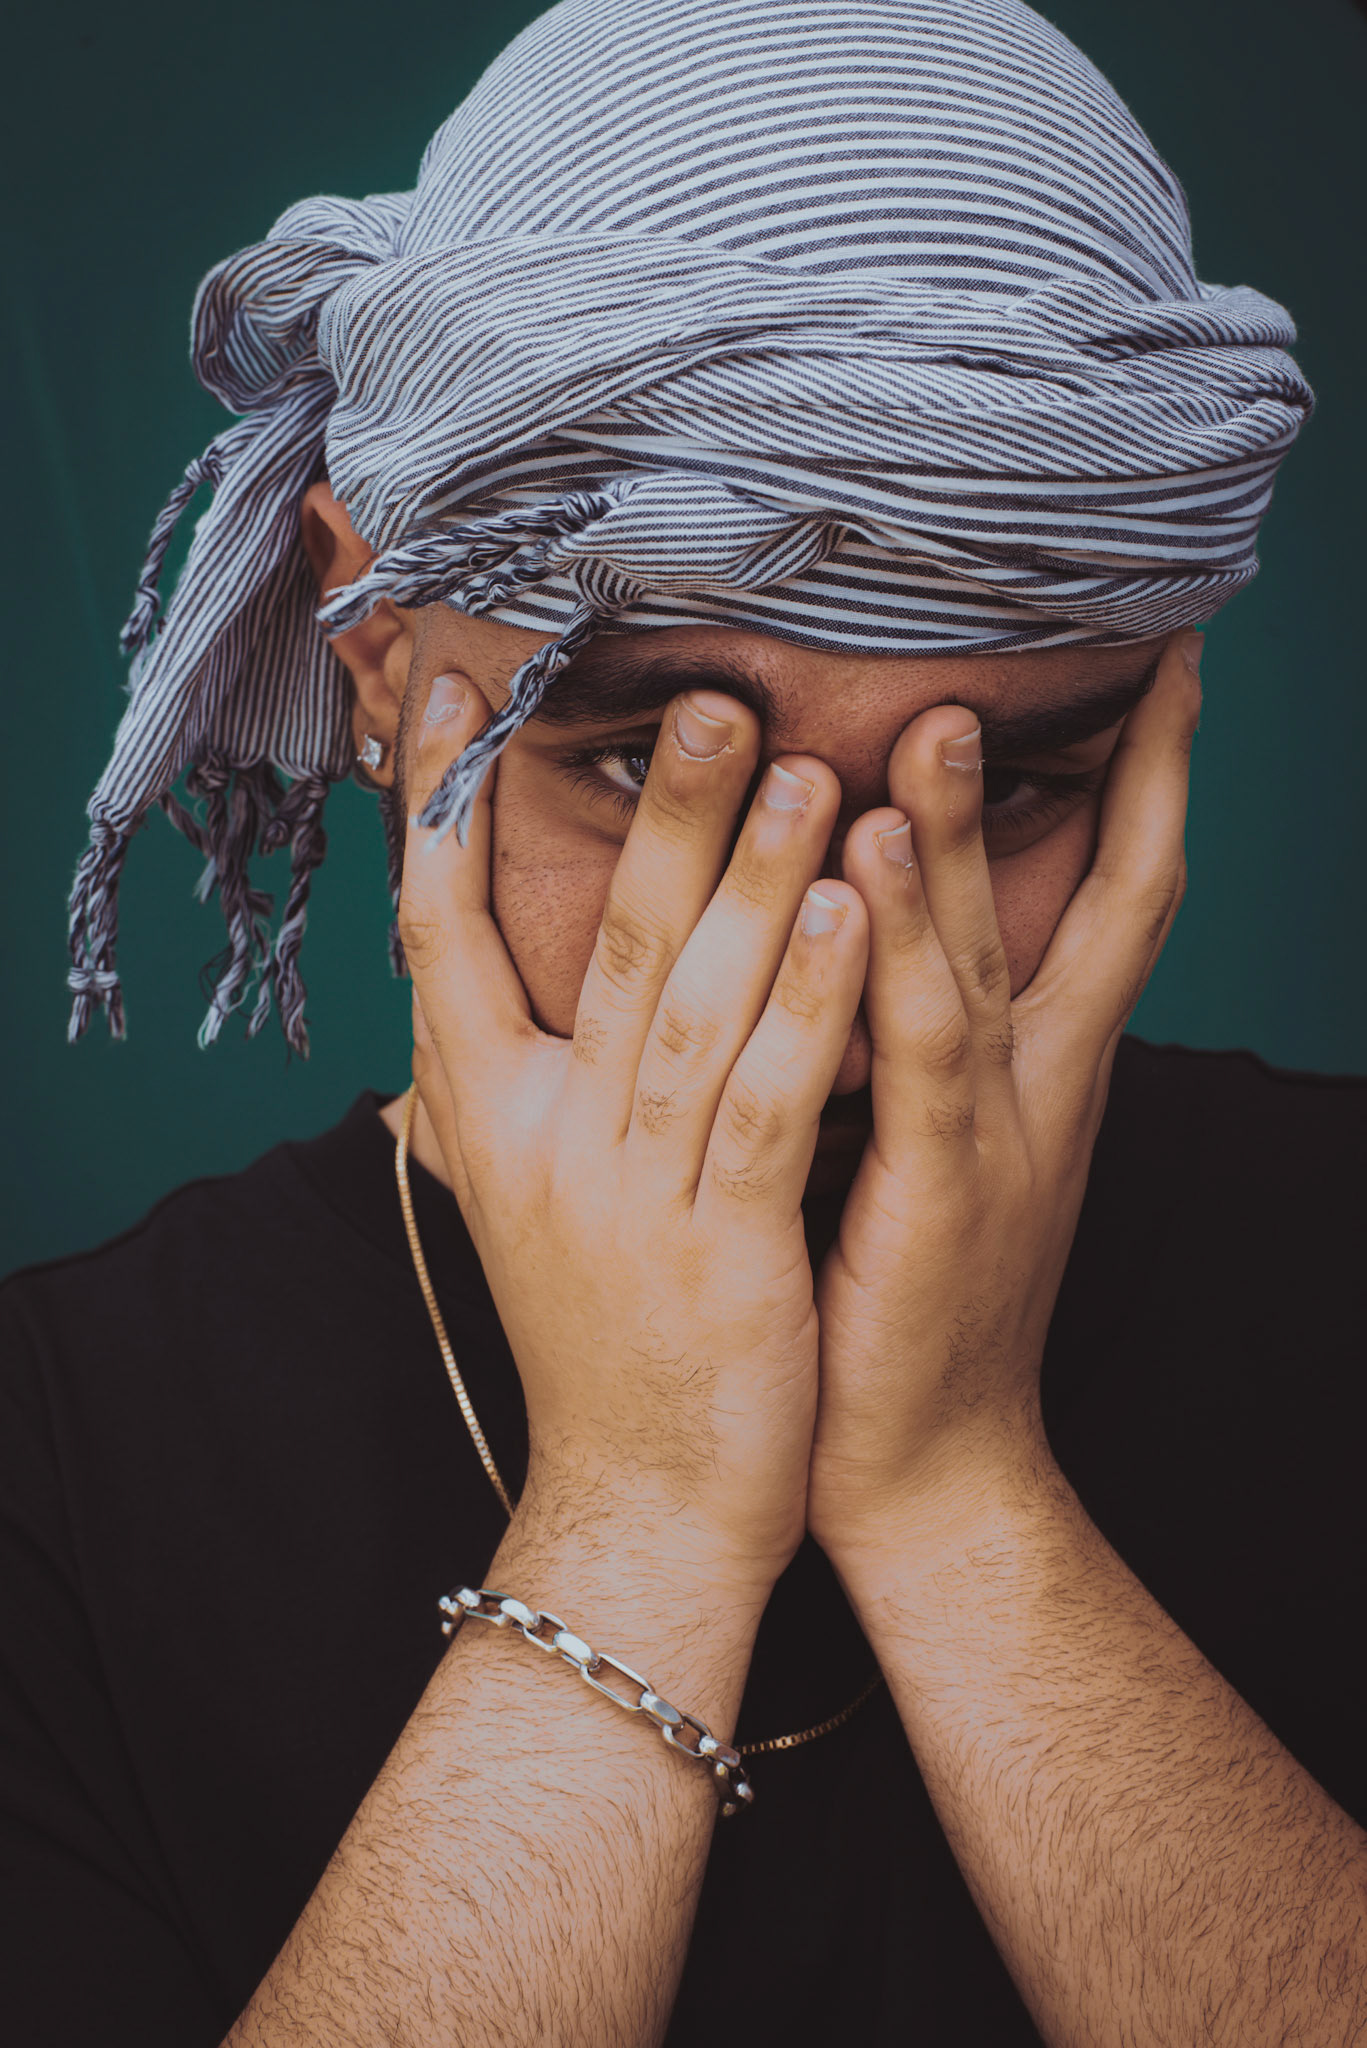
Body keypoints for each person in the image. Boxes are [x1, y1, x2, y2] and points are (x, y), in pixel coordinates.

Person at [3, 1, 1363, 2043]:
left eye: (1006, 786)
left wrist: (961, 1497)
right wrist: (638, 1512)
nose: (820, 994)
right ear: (371, 651)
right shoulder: (53, 1477)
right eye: (647, 769)